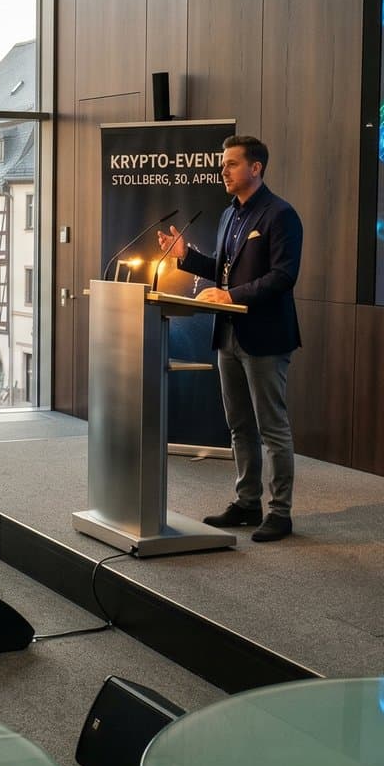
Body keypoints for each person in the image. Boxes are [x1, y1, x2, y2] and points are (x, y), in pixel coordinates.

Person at [156, 134, 303, 542]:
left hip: (266, 335)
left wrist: (232, 296)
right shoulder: (228, 217)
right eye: (224, 164)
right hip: (229, 333)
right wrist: (187, 257)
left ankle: (280, 512)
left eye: (232, 164)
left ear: (255, 168)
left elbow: (283, 276)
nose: (223, 170)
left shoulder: (280, 215)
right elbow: (222, 271)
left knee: (271, 426)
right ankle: (247, 502)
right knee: (239, 425)